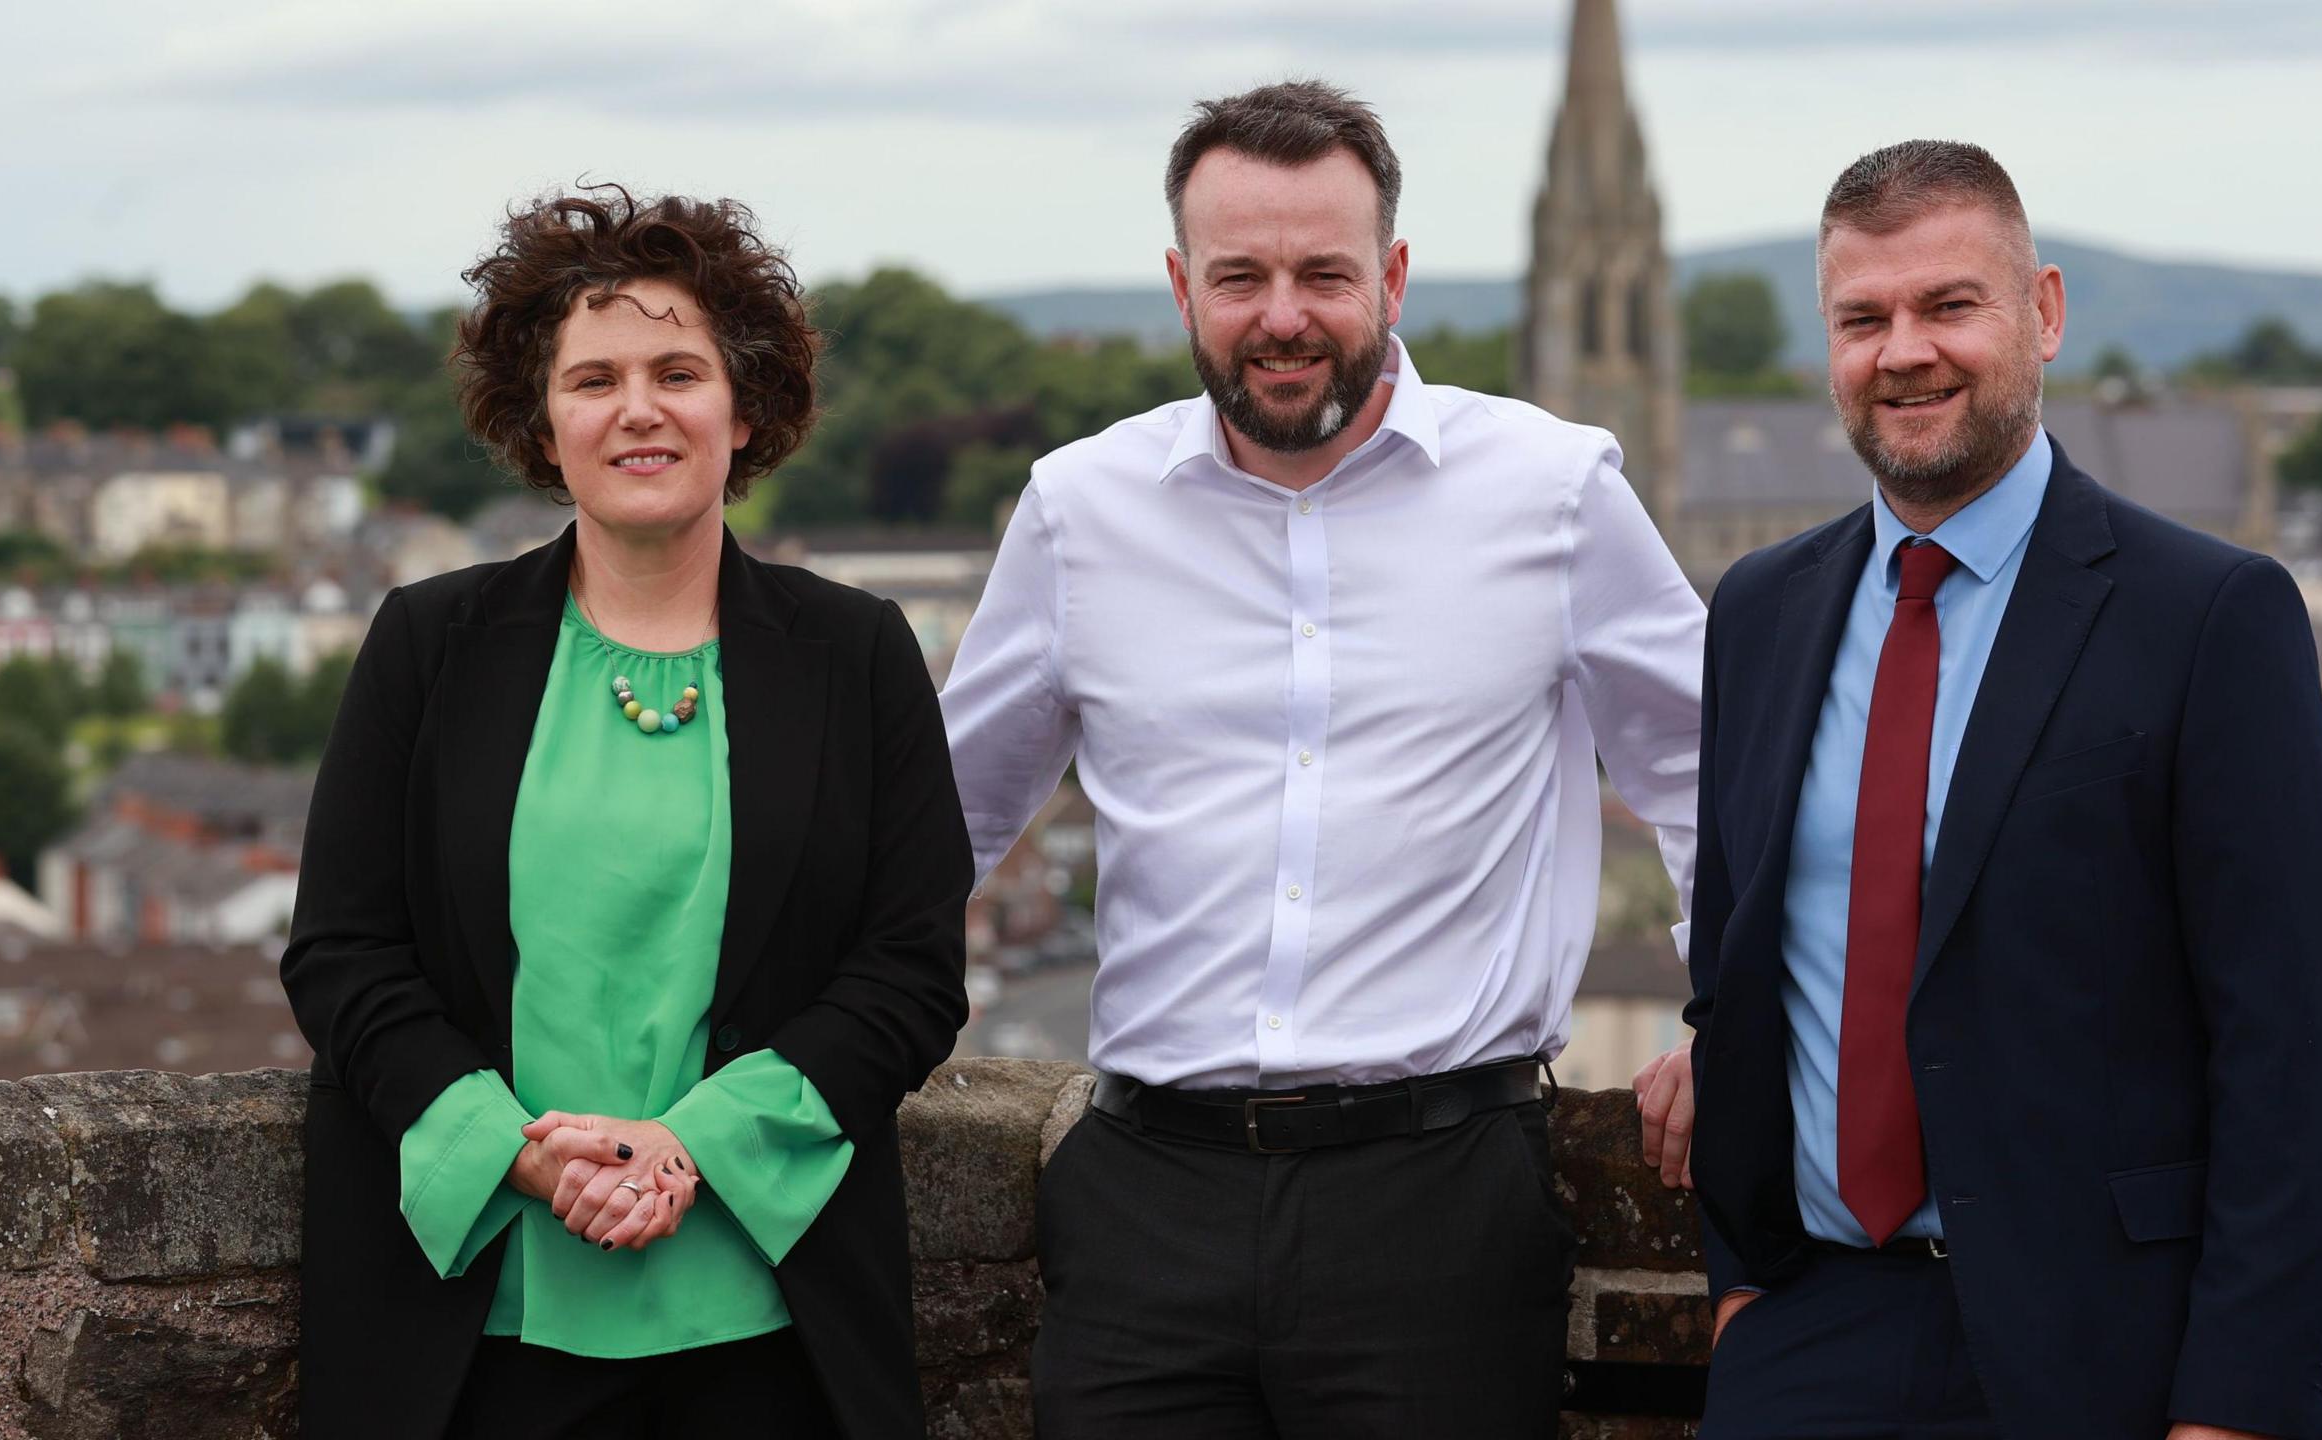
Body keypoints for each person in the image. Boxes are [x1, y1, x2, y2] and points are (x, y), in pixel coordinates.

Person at [939, 79, 1706, 1438]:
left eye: (1323, 273)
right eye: (1240, 275)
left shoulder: (1556, 490)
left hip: (1441, 1205)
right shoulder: (1078, 511)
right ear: (1182, 285)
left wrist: (1729, 1012)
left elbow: (1715, 774)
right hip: (1142, 1203)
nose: (1282, 315)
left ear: (1394, 276)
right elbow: (939, 823)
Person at [1631, 140, 2322, 1439]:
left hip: (2114, 1362)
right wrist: (1750, 1296)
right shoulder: (1758, 612)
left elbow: (2291, 1054)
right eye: (1864, 318)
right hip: (1817, 1341)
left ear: (2046, 312)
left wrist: (2234, 1409)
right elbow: (1742, 955)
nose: (1903, 351)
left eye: (1949, 305)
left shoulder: (2209, 616)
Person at [282, 186, 972, 1440]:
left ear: (743, 406)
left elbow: (909, 973)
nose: (638, 409)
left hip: (775, 1330)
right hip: (470, 1325)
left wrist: (688, 1147)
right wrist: (523, 1152)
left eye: (678, 370)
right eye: (593, 378)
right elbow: (343, 955)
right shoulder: (426, 646)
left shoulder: (858, 654)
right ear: (543, 424)